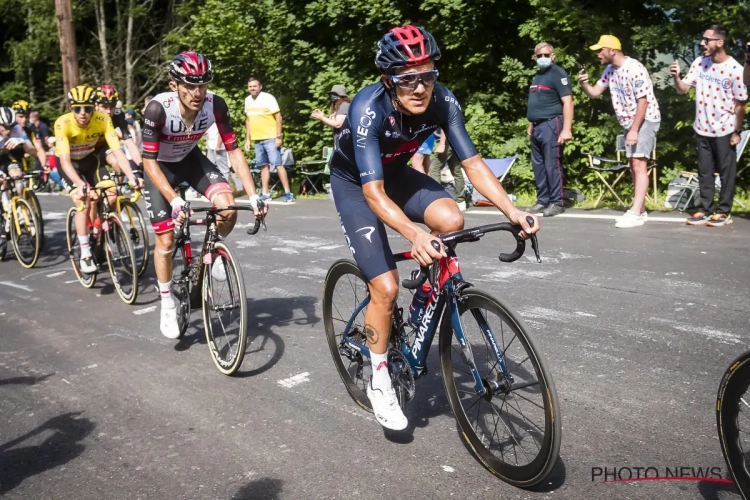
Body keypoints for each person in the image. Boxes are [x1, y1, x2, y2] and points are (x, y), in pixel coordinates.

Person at [329, 25, 539, 430]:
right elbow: (373, 194)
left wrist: (513, 210)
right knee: (386, 288)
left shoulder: (443, 100)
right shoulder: (367, 108)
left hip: (396, 174)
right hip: (357, 185)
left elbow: (473, 164)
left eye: (427, 75)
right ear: (388, 79)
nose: (420, 87)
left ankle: (427, 290)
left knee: (451, 220)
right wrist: (414, 234)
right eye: (408, 78)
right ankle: (380, 380)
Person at [141, 52, 266, 339]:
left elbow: (234, 151)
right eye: (189, 86)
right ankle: (166, 302)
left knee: (228, 207)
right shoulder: (158, 110)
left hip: (190, 159)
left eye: (203, 85)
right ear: (174, 84)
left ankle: (213, 252)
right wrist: (173, 199)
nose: (197, 93)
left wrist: (254, 193)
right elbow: (148, 161)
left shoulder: (215, 105)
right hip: (159, 167)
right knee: (166, 239)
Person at [54, 85, 142, 274]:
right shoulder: (63, 123)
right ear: (71, 108)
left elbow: (118, 151)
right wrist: (79, 184)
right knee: (83, 201)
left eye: (87, 107)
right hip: (70, 166)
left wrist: (132, 176)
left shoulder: (102, 120)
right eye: (78, 108)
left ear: (94, 106)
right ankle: (85, 253)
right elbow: (64, 160)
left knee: (111, 193)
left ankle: (99, 229)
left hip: (90, 161)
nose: (83, 113)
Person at [578, 34, 661, 229]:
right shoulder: (610, 70)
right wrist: (584, 84)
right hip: (629, 122)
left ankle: (636, 213)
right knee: (634, 164)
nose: (598, 54)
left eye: (601, 50)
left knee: (640, 164)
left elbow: (643, 100)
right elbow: (595, 93)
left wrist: (634, 130)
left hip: (645, 119)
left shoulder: (634, 69)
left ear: (612, 51)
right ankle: (638, 210)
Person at [671, 25, 747, 227]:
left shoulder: (736, 70)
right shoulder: (700, 63)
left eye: (706, 39)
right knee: (704, 171)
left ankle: (723, 212)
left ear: (720, 42)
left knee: (726, 171)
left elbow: (741, 104)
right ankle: (705, 210)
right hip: (702, 128)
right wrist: (676, 77)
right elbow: (683, 90)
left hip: (725, 129)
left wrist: (737, 131)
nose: (702, 43)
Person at [526, 42, 573, 217]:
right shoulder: (538, 76)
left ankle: (557, 202)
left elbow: (568, 101)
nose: (543, 58)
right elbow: (538, 102)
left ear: (553, 56)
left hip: (552, 124)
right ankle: (542, 200)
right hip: (537, 126)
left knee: (551, 164)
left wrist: (566, 129)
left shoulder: (557, 73)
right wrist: (531, 123)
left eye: (546, 55)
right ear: (535, 57)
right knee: (538, 165)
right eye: (540, 56)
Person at [243, 77, 293, 203]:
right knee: (262, 166)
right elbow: (248, 120)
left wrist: (278, 136)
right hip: (257, 138)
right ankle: (265, 193)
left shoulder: (268, 98)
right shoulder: (247, 100)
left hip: (270, 137)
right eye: (250, 86)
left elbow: (278, 116)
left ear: (260, 87)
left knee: (277, 164)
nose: (252, 88)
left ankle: (287, 192)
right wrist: (247, 139)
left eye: (255, 86)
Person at [428, 129, 466, 210]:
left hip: (446, 142)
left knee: (434, 169)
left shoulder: (437, 115)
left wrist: (442, 144)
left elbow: (444, 127)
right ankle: (460, 201)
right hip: (454, 141)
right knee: (456, 171)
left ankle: (438, 198)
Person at [10, 100, 46, 171]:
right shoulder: (6, 128)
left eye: (26, 117)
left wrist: (44, 165)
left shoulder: (30, 130)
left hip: (20, 161)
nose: (24, 120)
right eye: (20, 117)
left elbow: (39, 150)